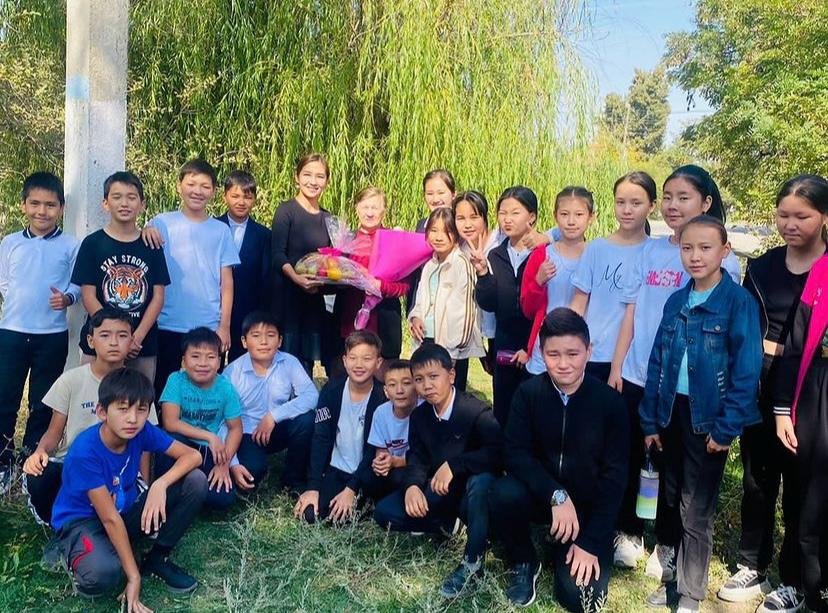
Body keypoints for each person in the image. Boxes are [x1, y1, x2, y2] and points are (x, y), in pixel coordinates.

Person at [608, 165, 740, 572]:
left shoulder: (719, 258)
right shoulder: (649, 250)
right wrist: (617, 366)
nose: (672, 205)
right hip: (638, 375)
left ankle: (667, 543)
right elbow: (632, 312)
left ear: (706, 202)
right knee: (633, 455)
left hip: (684, 385)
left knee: (674, 469)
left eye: (683, 197)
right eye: (667, 197)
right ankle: (629, 531)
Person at [639, 216, 762, 612]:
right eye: (688, 248)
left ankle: (690, 594)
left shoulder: (737, 303)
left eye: (706, 248)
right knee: (672, 498)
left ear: (725, 251)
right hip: (670, 414)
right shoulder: (677, 300)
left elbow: (747, 372)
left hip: (708, 420)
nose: (695, 256)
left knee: (696, 509)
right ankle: (671, 580)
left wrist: (726, 429)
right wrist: (650, 420)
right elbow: (657, 362)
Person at [488, 308, 628, 611]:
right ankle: (525, 560)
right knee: (502, 492)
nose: (563, 364)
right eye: (553, 354)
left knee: (582, 601)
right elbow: (515, 454)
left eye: (572, 354)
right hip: (544, 496)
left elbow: (615, 478)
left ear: (589, 352)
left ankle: (567, 546)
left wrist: (590, 542)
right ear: (541, 353)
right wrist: (555, 493)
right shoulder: (528, 393)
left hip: (587, 510)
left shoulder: (611, 404)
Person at [46, 368, 206, 607]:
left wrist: (159, 485)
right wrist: (133, 577)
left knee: (196, 481)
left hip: (122, 510)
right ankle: (67, 548)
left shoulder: (141, 431)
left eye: (141, 409)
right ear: (102, 412)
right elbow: (109, 519)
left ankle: (157, 557)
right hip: (83, 520)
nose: (132, 418)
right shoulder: (84, 451)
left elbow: (193, 456)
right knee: (103, 573)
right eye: (123, 408)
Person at [374, 343, 501, 599]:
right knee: (385, 512)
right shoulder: (420, 415)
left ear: (451, 375)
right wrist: (412, 487)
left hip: (473, 490)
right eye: (419, 379)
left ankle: (472, 561)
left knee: (480, 484)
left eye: (434, 376)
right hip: (440, 489)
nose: (427, 385)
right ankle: (449, 524)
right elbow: (417, 457)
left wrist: (455, 465)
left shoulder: (475, 411)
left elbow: (498, 453)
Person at [22, 308, 154, 525]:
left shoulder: (138, 385)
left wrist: (145, 488)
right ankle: (61, 525)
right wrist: (39, 452)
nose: (114, 342)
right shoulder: (71, 380)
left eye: (122, 336)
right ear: (91, 341)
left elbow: (145, 444)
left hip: (117, 468)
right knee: (41, 475)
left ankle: (103, 518)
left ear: (132, 341)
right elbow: (54, 433)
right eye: (105, 335)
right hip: (74, 463)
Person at [765, 176, 828, 613]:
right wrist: (783, 409)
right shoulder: (820, 273)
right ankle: (801, 583)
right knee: (806, 491)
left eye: (801, 216)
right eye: (784, 215)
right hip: (815, 390)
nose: (791, 223)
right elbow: (797, 342)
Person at [0, 171, 79, 492]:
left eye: (50, 205)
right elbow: (4, 281)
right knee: (5, 397)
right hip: (12, 333)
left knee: (42, 402)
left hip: (52, 336)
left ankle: (32, 460)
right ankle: (4, 461)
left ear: (61, 208)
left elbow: (77, 283)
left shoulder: (70, 245)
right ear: (23, 205)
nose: (42, 211)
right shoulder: (10, 243)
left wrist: (67, 298)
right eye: (35, 204)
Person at [145, 159, 239, 404]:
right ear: (179, 185)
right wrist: (145, 229)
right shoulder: (161, 223)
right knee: (163, 390)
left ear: (214, 191)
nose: (197, 191)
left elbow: (227, 282)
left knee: (206, 393)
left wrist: (224, 326)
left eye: (205, 186)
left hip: (207, 324)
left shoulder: (220, 230)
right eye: (191, 184)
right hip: (167, 322)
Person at [72, 171, 171, 382]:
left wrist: (136, 337)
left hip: (140, 344)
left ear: (142, 204)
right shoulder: (92, 244)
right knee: (90, 398)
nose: (124, 203)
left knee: (139, 398)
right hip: (100, 342)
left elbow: (158, 297)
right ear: (105, 203)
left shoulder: (151, 245)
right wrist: (113, 334)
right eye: (117, 197)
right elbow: (88, 296)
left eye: (131, 197)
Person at [294, 331, 387, 523]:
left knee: (350, 515)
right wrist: (313, 487)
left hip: (367, 472)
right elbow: (321, 438)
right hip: (337, 468)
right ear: (345, 361)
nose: (359, 365)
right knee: (311, 515)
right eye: (353, 358)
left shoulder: (383, 398)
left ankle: (367, 503)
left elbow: (374, 449)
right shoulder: (331, 391)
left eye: (367, 359)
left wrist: (351, 489)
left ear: (378, 362)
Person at [570, 171, 653, 383]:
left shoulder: (655, 252)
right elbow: (578, 304)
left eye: (636, 203)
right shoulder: (596, 248)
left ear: (651, 206)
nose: (627, 210)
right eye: (620, 202)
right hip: (594, 354)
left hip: (635, 361)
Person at [223, 311, 318, 493]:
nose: (264, 342)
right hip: (246, 433)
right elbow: (223, 419)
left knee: (307, 420)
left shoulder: (289, 362)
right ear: (244, 341)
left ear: (280, 341)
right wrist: (232, 462)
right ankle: (252, 463)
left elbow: (311, 395)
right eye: (256, 336)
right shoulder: (232, 372)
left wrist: (273, 416)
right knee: (252, 473)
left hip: (277, 427)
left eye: (271, 335)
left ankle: (293, 480)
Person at [471, 186, 538, 426]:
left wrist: (533, 346)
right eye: (502, 213)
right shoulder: (495, 255)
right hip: (505, 340)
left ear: (532, 217)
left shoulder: (544, 252)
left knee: (534, 408)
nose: (507, 219)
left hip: (536, 340)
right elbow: (489, 303)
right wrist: (482, 274)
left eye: (515, 213)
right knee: (504, 406)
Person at [159, 327, 243, 509]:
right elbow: (170, 422)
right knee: (169, 438)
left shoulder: (225, 387)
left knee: (222, 499)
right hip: (182, 443)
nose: (203, 363)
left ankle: (191, 487)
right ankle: (172, 487)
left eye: (210, 357)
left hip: (210, 450)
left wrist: (224, 464)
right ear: (183, 361)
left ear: (219, 362)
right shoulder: (176, 380)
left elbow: (236, 428)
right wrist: (209, 436)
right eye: (195, 356)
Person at [270, 153, 336, 375]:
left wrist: (326, 279)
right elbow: (277, 254)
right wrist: (297, 278)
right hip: (287, 300)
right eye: (307, 175)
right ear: (296, 177)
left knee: (307, 365)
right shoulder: (286, 210)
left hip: (313, 301)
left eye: (320, 176)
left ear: (327, 181)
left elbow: (331, 261)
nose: (313, 181)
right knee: (284, 361)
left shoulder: (329, 219)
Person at [332, 187, 408, 371]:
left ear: (384, 210)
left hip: (384, 318)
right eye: (365, 207)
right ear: (356, 208)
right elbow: (333, 278)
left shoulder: (394, 240)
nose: (369, 212)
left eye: (375, 207)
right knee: (349, 373)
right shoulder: (345, 240)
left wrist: (380, 286)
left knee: (385, 377)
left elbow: (405, 286)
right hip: (350, 316)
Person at [521, 186, 595, 376]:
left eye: (579, 214)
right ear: (555, 216)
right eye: (564, 214)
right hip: (546, 344)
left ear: (591, 217)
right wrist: (538, 282)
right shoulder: (542, 255)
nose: (571, 221)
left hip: (581, 346)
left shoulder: (597, 255)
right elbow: (527, 309)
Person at [409, 208, 484, 391]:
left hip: (451, 348)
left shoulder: (461, 264)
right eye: (434, 230)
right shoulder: (429, 265)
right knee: (425, 393)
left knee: (448, 397)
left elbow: (465, 313)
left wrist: (454, 352)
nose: (438, 237)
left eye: (446, 231)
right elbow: (420, 299)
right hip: (427, 339)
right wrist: (415, 317)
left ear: (456, 234)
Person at [216, 170, 272, 362]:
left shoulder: (264, 235)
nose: (241, 202)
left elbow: (265, 278)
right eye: (235, 196)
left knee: (241, 365)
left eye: (247, 197)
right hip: (214, 310)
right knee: (211, 363)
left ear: (254, 199)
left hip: (248, 312)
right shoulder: (212, 227)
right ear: (225, 196)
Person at [453, 190, 501, 374]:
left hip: (501, 326)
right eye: (460, 218)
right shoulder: (459, 248)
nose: (467, 225)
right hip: (474, 327)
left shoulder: (500, 241)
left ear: (485, 216)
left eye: (474, 217)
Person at [406, 169, 457, 316]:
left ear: (453, 194)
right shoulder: (421, 225)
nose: (435, 199)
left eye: (441, 193)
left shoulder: (460, 225)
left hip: (451, 305)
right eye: (429, 193)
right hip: (422, 304)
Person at [364, 359, 418, 499]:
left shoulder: (423, 411)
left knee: (399, 477)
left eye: (406, 383)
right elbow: (381, 448)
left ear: (417, 386)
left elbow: (423, 457)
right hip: (392, 464)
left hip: (415, 468)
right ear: (386, 391)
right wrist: (382, 461)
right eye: (392, 385)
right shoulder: (381, 413)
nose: (399, 390)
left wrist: (395, 462)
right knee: (368, 477)